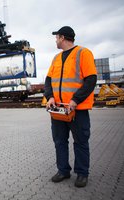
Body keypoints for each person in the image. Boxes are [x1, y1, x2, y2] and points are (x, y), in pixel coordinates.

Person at [44, 26, 97, 187]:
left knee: (80, 141)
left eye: (57, 37)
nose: (55, 40)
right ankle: (63, 170)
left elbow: (91, 80)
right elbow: (48, 81)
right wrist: (50, 97)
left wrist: (75, 100)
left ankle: (82, 173)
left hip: (77, 110)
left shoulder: (83, 53)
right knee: (60, 141)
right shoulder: (56, 58)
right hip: (58, 110)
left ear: (62, 38)